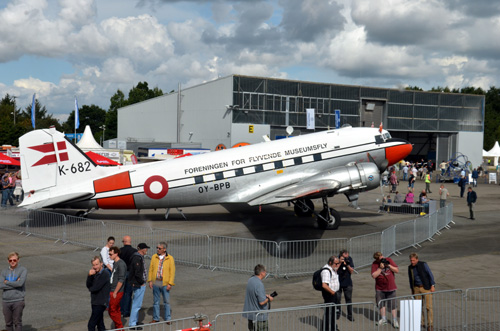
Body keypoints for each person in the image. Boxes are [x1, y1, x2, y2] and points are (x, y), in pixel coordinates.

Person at [147, 241, 176, 323]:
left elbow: (172, 272)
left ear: (164, 249)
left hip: (165, 282)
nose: (157, 249)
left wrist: (170, 283)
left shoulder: (170, 258)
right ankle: (156, 318)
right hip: (156, 281)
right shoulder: (154, 257)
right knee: (156, 301)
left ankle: (168, 318)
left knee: (166, 301)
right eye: (157, 248)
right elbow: (151, 269)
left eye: (159, 248)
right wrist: (150, 281)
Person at [371, 252, 399, 329]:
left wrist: (389, 265)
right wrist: (380, 268)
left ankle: (394, 320)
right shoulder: (374, 264)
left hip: (391, 287)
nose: (382, 259)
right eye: (380, 259)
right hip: (380, 288)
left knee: (393, 304)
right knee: (381, 304)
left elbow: (397, 270)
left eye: (382, 257)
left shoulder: (389, 260)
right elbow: (374, 275)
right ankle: (383, 318)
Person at [408, 253, 435, 331]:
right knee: (418, 307)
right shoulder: (410, 268)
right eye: (411, 260)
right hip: (416, 288)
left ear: (417, 259)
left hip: (426, 288)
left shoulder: (423, 264)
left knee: (428, 307)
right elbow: (410, 279)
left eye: (413, 260)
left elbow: (430, 274)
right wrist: (412, 289)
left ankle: (430, 325)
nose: (412, 262)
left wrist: (432, 285)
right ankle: (421, 322)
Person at [242, 264, 274, 331]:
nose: (266, 273)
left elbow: (254, 293)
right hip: (259, 317)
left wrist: (264, 295)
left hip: (250, 315)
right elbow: (262, 302)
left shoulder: (250, 280)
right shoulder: (259, 284)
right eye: (265, 271)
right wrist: (269, 299)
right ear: (262, 273)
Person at [0, 252, 27, 331]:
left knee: (17, 323)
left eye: (14, 260)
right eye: (10, 260)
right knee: (8, 323)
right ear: (8, 261)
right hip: (6, 301)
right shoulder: (4, 271)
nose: (12, 262)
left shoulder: (23, 270)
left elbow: (20, 283)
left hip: (18, 300)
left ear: (18, 260)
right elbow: (0, 285)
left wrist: (6, 282)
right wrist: (15, 282)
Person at [128, 243, 150, 330]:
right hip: (138, 284)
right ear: (142, 249)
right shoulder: (137, 258)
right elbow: (137, 273)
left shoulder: (138, 257)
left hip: (138, 283)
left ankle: (135, 321)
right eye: (145, 249)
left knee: (137, 304)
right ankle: (132, 324)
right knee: (136, 305)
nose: (146, 250)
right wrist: (142, 282)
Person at [86, 256, 110, 331]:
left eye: (97, 264)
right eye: (93, 265)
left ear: (101, 264)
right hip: (95, 301)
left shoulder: (104, 274)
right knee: (100, 323)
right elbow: (88, 285)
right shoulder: (94, 273)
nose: (95, 267)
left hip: (100, 302)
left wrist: (91, 288)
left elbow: (94, 288)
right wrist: (89, 276)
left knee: (91, 324)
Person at [119, 235, 137, 317]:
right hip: (130, 273)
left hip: (122, 273)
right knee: (128, 293)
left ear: (124, 242)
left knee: (121, 292)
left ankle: (122, 310)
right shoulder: (134, 251)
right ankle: (126, 311)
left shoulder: (120, 251)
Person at [320, 256, 340, 331]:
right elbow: (324, 285)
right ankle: (326, 328)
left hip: (333, 293)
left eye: (338, 263)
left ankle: (332, 328)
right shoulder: (326, 271)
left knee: (332, 313)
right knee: (329, 313)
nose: (337, 265)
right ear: (330, 262)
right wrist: (333, 293)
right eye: (336, 263)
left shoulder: (333, 268)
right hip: (330, 294)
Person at [108, 246, 126, 330]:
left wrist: (115, 292)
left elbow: (121, 279)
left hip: (116, 291)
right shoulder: (116, 263)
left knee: (111, 311)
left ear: (116, 253)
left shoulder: (121, 264)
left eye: (111, 254)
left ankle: (120, 327)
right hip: (113, 290)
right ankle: (118, 327)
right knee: (116, 310)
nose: (109, 255)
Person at [337, 250, 354, 321]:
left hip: (348, 283)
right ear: (341, 256)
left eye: (347, 256)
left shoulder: (349, 259)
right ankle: (337, 314)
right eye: (344, 257)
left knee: (348, 300)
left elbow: (351, 271)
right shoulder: (337, 260)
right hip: (338, 283)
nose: (346, 258)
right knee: (337, 300)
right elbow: (334, 270)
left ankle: (350, 315)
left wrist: (347, 265)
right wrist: (340, 262)